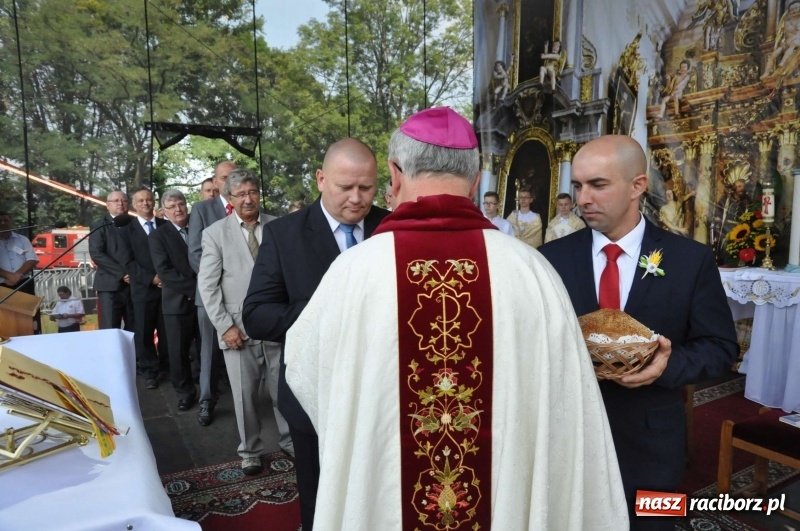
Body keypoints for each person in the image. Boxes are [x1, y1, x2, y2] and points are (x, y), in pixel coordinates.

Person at [282, 108, 628, 530]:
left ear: (394, 174)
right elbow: (564, 405)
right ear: (477, 179)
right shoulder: (531, 271)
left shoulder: (354, 272)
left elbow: (305, 370)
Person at [539, 135, 738, 530]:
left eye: (598, 184)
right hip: (568, 440)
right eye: (577, 186)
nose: (582, 199)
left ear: (637, 186)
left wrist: (667, 365)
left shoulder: (689, 260)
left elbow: (720, 347)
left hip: (653, 443)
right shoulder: (551, 259)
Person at [242, 138, 390, 531]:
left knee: (379, 494)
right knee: (321, 498)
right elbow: (256, 315)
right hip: (314, 393)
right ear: (321, 179)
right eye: (345, 187)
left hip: (382, 390)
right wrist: (325, 312)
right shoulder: (284, 234)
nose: (357, 198)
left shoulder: (391, 228)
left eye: (367, 187)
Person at [198, 170, 293, 475]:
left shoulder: (279, 225)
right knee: (244, 396)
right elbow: (208, 286)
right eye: (240, 194)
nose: (248, 199)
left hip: (277, 323)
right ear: (230, 198)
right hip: (237, 328)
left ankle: (289, 440)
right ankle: (250, 450)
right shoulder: (215, 233)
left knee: (284, 389)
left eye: (252, 192)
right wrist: (225, 326)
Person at [188, 161, 236, 426]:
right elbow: (195, 252)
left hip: (242, 295)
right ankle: (206, 400)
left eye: (234, 176)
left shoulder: (248, 206)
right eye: (224, 177)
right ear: (215, 182)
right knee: (208, 350)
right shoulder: (202, 209)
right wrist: (219, 281)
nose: (230, 181)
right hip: (209, 294)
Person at [149, 190, 198, 412]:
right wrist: (196, 290)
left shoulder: (199, 229)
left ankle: (209, 390)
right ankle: (184, 393)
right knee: (178, 352)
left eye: (181, 204)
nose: (178, 209)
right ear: (164, 211)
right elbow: (165, 271)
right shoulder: (158, 236)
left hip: (205, 302)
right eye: (172, 206)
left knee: (205, 349)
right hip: (177, 303)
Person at [120, 187, 169, 391]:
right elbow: (128, 262)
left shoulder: (166, 226)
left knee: (168, 332)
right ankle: (150, 372)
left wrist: (166, 278)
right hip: (143, 290)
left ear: (154, 202)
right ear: (134, 205)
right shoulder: (126, 230)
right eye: (140, 201)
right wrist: (152, 279)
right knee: (143, 332)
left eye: (148, 199)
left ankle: (169, 367)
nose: (145, 203)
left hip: (168, 289)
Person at [90, 190, 134, 331]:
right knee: (110, 329)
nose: (120, 203)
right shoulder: (99, 225)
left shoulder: (135, 224)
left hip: (134, 285)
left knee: (136, 329)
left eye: (124, 200)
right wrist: (123, 274)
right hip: (109, 286)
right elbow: (96, 253)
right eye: (116, 201)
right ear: (107, 205)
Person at [0, 211, 38, 296]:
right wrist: (9, 276)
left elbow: (32, 259)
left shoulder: (22, 239)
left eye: (6, 220)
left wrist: (17, 276)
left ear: (11, 222)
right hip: (2, 285)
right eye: (0, 221)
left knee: (28, 305)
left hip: (24, 284)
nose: (3, 223)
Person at [764, 0, 800, 77]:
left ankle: (783, 62)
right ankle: (766, 73)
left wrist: (792, 39)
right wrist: (782, 42)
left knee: (793, 44)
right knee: (773, 55)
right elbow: (782, 34)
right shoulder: (786, 22)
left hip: (796, 41)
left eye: (796, 8)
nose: (794, 11)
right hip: (787, 42)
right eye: (792, 10)